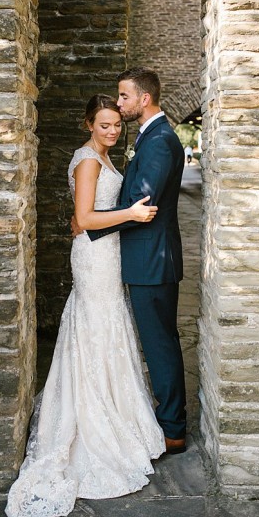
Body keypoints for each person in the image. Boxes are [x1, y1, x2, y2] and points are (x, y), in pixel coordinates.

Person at [6, 95, 165, 517]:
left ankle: (116, 409)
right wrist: (129, 212)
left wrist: (110, 215)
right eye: (104, 125)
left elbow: (85, 216)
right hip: (95, 256)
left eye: (116, 125)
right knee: (97, 325)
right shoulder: (89, 161)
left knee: (108, 325)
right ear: (88, 125)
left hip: (107, 253)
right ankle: (95, 419)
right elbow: (85, 217)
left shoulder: (101, 156)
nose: (112, 131)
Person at [86, 67, 189, 455]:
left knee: (160, 344)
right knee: (158, 341)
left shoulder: (160, 141)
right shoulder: (150, 138)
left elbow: (141, 203)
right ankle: (169, 420)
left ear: (144, 99)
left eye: (124, 97)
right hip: (146, 257)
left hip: (152, 259)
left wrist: (90, 224)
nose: (120, 103)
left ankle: (173, 429)